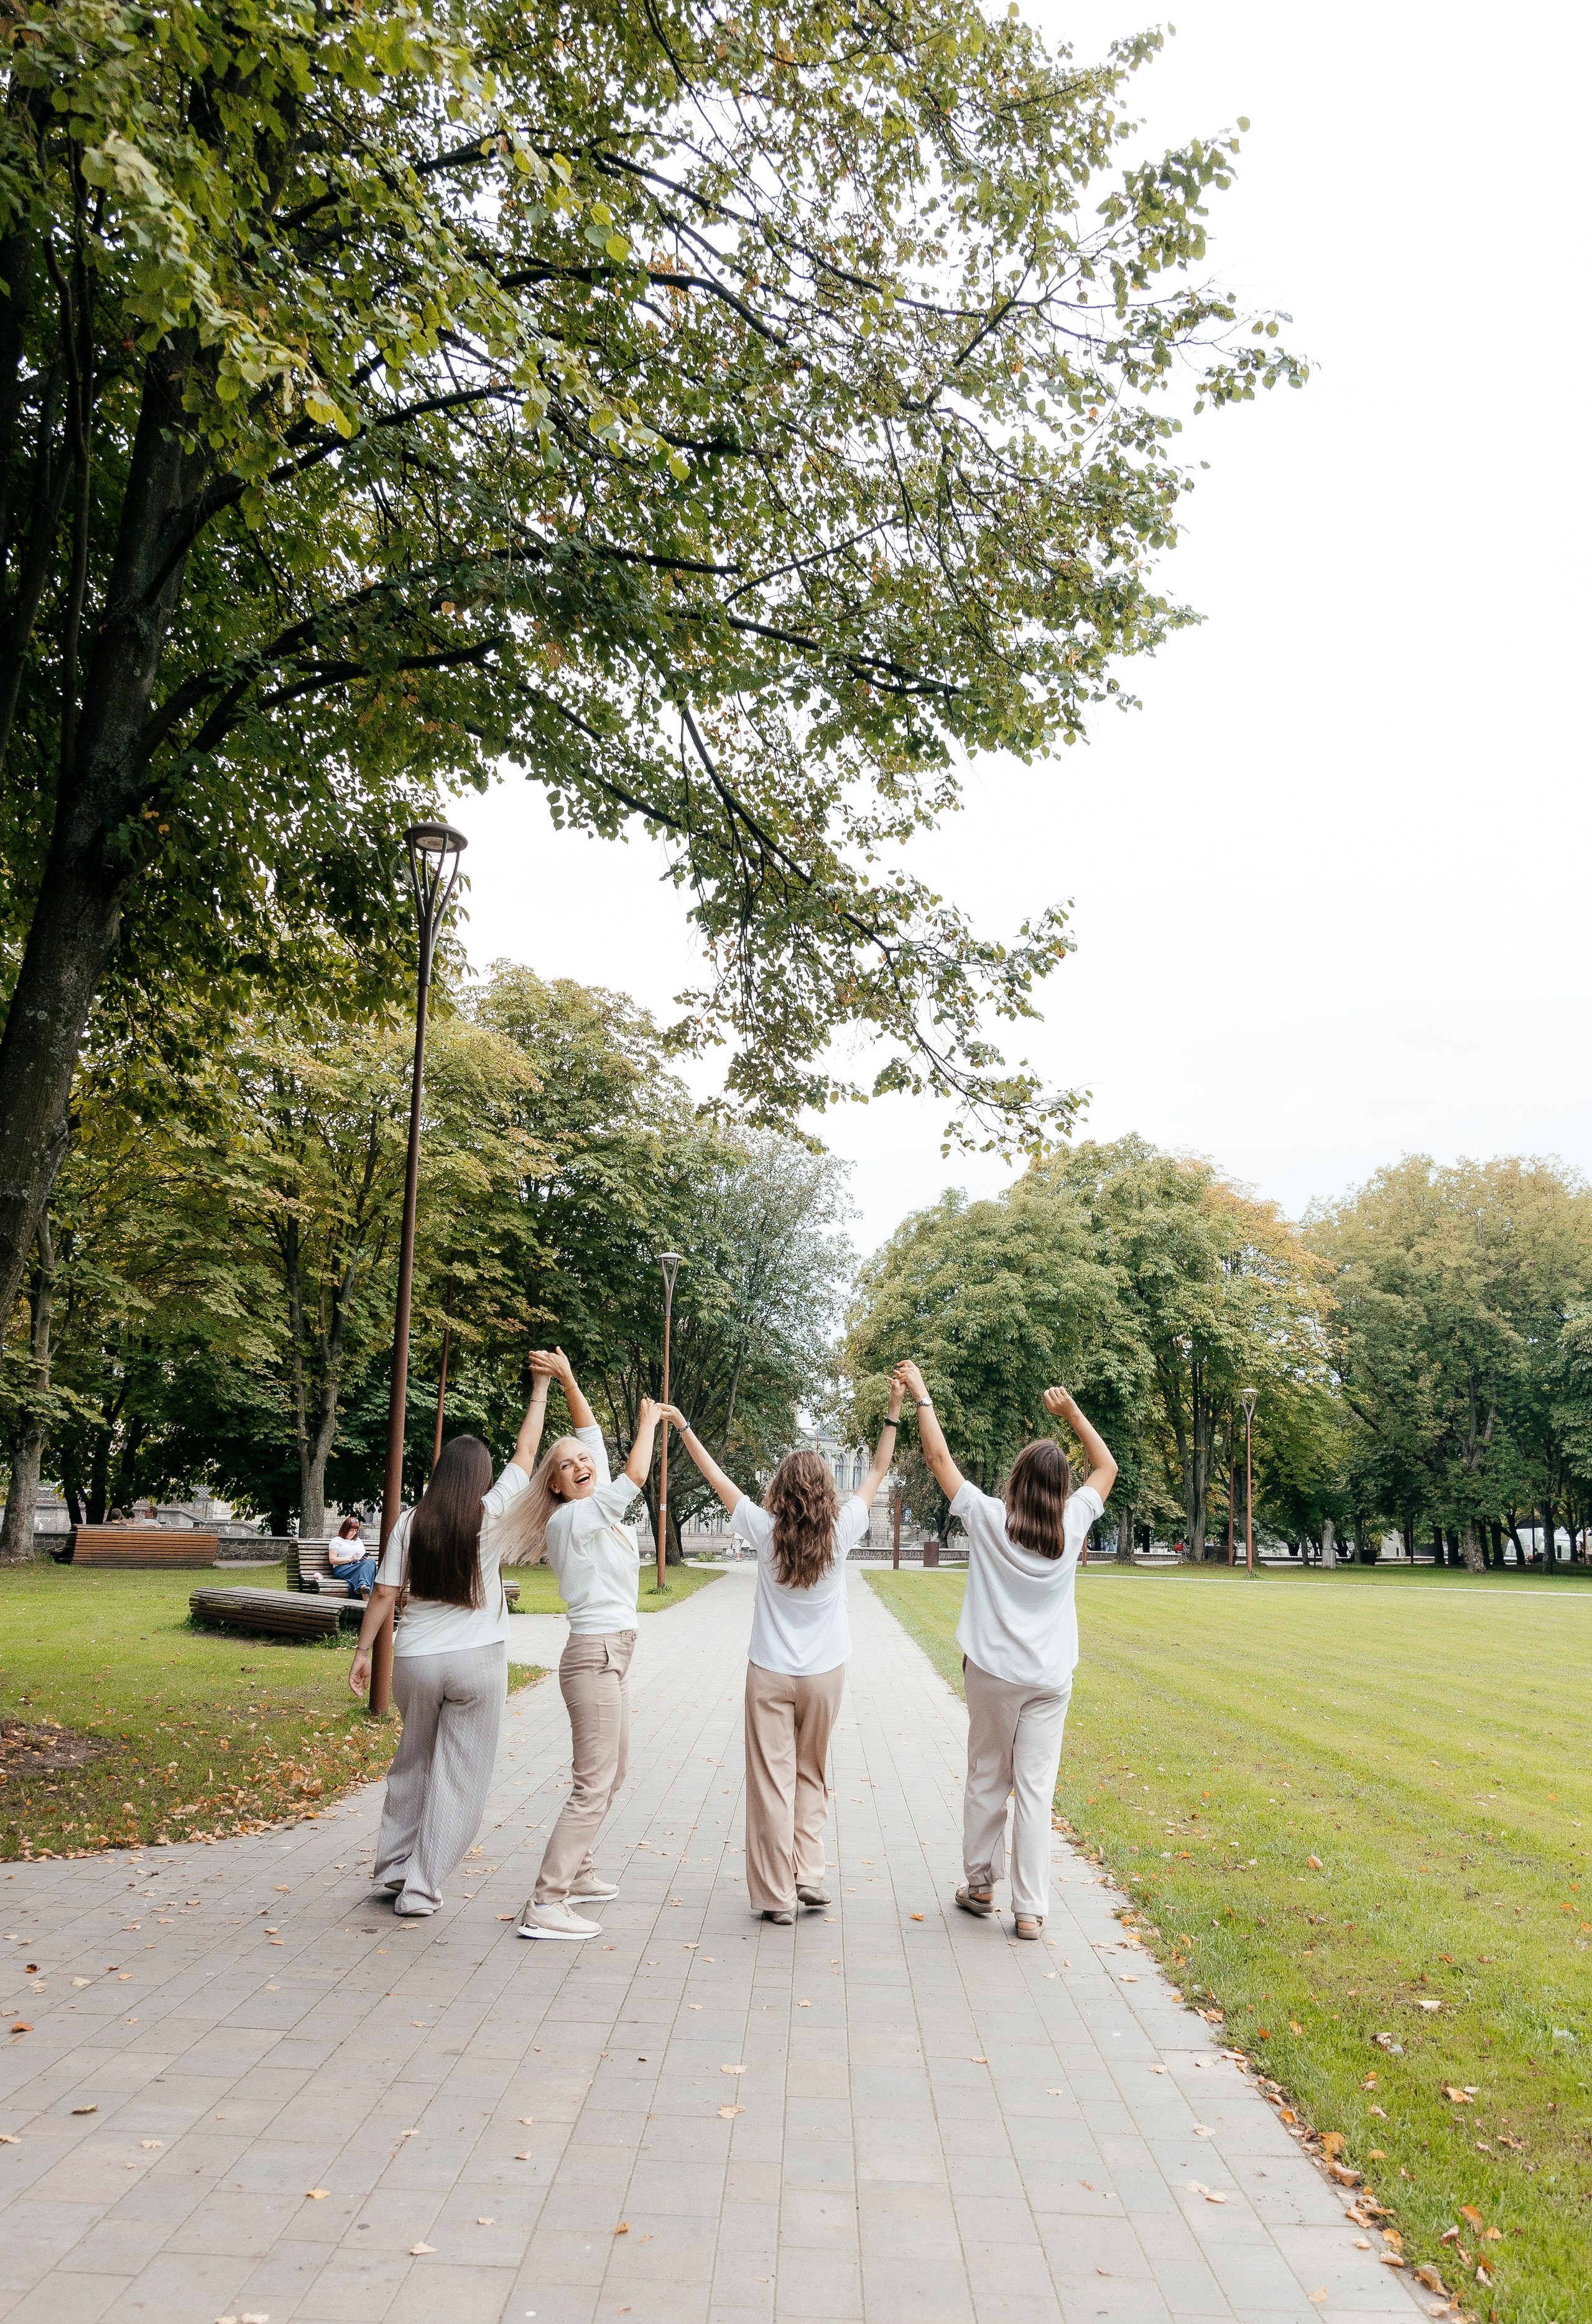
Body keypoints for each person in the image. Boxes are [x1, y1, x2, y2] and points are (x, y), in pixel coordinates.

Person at [664, 1387, 904, 1925]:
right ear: (823, 1492)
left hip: (769, 1672)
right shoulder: (842, 1530)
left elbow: (715, 1478)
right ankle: (809, 1874)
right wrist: (893, 1408)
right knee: (811, 1772)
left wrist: (683, 1427)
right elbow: (879, 1468)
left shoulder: (762, 1529)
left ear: (780, 1488)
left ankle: (778, 1897)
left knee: (771, 1781)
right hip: (824, 1675)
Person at [895, 1359, 1116, 1942]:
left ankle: (980, 1884)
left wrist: (922, 1394)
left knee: (988, 1775)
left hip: (992, 1672)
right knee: (1037, 1791)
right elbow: (1107, 1465)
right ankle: (1031, 1910)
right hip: (1049, 1676)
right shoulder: (1073, 1523)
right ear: (1061, 1488)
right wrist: (1071, 1414)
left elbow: (940, 1462)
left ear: (1016, 1481)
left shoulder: (991, 1519)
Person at [348, 1373, 551, 1918]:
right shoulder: (492, 1513)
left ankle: (393, 1869)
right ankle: (421, 1887)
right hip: (478, 1661)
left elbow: (386, 1591)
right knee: (459, 1777)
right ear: (481, 1478)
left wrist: (364, 1651)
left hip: (415, 1660)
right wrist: (540, 1388)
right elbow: (528, 1452)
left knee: (411, 1764)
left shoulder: (412, 1521)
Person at [508, 1349, 667, 1942]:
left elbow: (590, 1433)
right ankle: (546, 1902)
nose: (580, 1463)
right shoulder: (574, 1519)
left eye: (583, 1460)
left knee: (613, 1770)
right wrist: (649, 1424)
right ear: (553, 1482)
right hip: (595, 1654)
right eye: (567, 1464)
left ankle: (578, 1872)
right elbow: (635, 1475)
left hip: (613, 1653)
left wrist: (570, 1378)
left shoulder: (592, 1506)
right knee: (593, 1781)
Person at [320, 1515, 377, 1599]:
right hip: (343, 1569)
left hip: (358, 1566)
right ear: (345, 1529)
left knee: (371, 1562)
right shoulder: (337, 1540)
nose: (353, 1533)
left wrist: (363, 1559)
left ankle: (363, 1587)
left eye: (356, 1531)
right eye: (351, 1530)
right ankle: (364, 1591)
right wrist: (350, 1559)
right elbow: (332, 1560)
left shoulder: (359, 1541)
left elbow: (364, 1558)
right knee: (366, 1572)